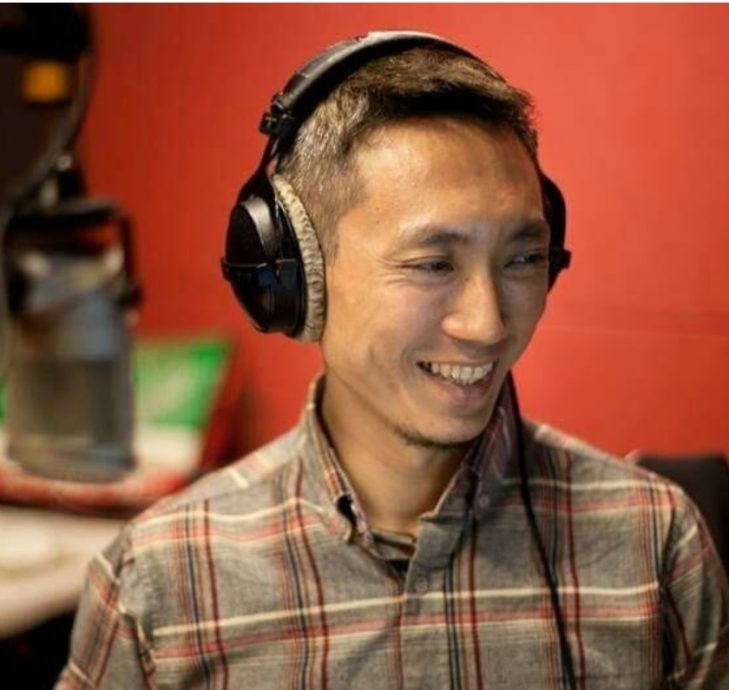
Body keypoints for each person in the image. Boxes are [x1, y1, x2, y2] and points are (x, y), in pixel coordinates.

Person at [57, 32, 729, 689]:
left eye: (523, 258)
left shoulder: (654, 545)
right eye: (432, 264)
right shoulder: (160, 582)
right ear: (294, 277)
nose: (488, 324)